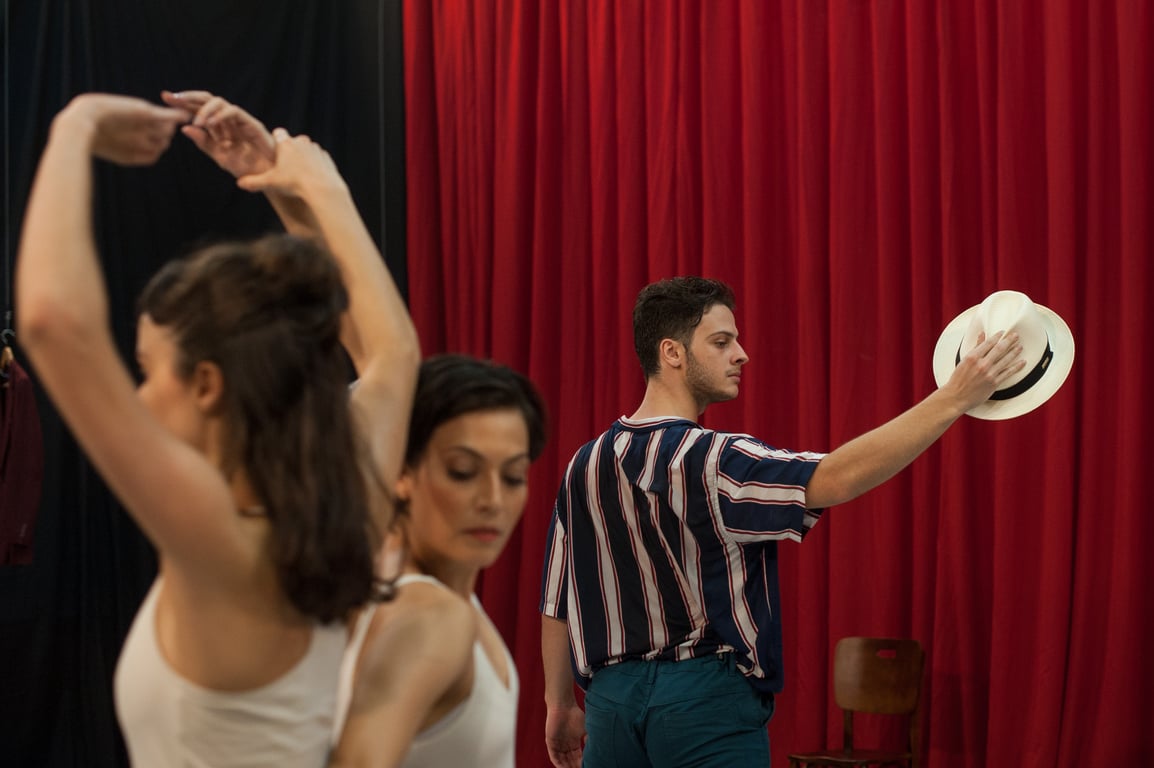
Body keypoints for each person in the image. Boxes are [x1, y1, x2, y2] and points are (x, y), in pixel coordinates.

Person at [16, 92, 419, 766]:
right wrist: (304, 187)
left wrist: (74, 124)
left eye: (147, 371)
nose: (140, 397)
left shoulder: (219, 542)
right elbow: (390, 354)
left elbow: (55, 322)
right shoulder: (343, 505)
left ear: (206, 385)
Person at [539, 276, 1026, 767]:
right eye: (721, 341)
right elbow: (835, 476)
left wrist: (558, 704)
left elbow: (559, 595)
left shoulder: (584, 463)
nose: (742, 354)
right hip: (702, 700)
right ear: (672, 352)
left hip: (610, 704)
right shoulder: (714, 459)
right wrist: (953, 398)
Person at [329, 353, 548, 768]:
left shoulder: (401, 586)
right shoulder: (430, 614)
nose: (493, 501)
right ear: (402, 472)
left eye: (513, 476)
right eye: (463, 471)